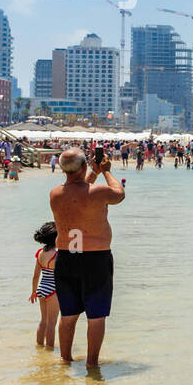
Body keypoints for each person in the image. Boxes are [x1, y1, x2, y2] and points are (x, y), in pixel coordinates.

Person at [49, 148, 125, 367]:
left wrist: (93, 172)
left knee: (68, 315)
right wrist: (107, 171)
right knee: (96, 316)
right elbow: (118, 194)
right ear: (83, 167)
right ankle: (92, 363)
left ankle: (65, 359)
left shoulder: (55, 194)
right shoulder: (98, 192)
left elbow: (80, 191)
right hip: (95, 258)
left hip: (67, 257)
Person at [30, 221, 59, 348]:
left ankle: (39, 346)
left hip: (42, 288)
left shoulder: (40, 253)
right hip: (53, 290)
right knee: (52, 323)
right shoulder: (57, 255)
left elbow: (36, 275)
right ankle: (50, 349)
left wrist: (34, 291)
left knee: (43, 321)